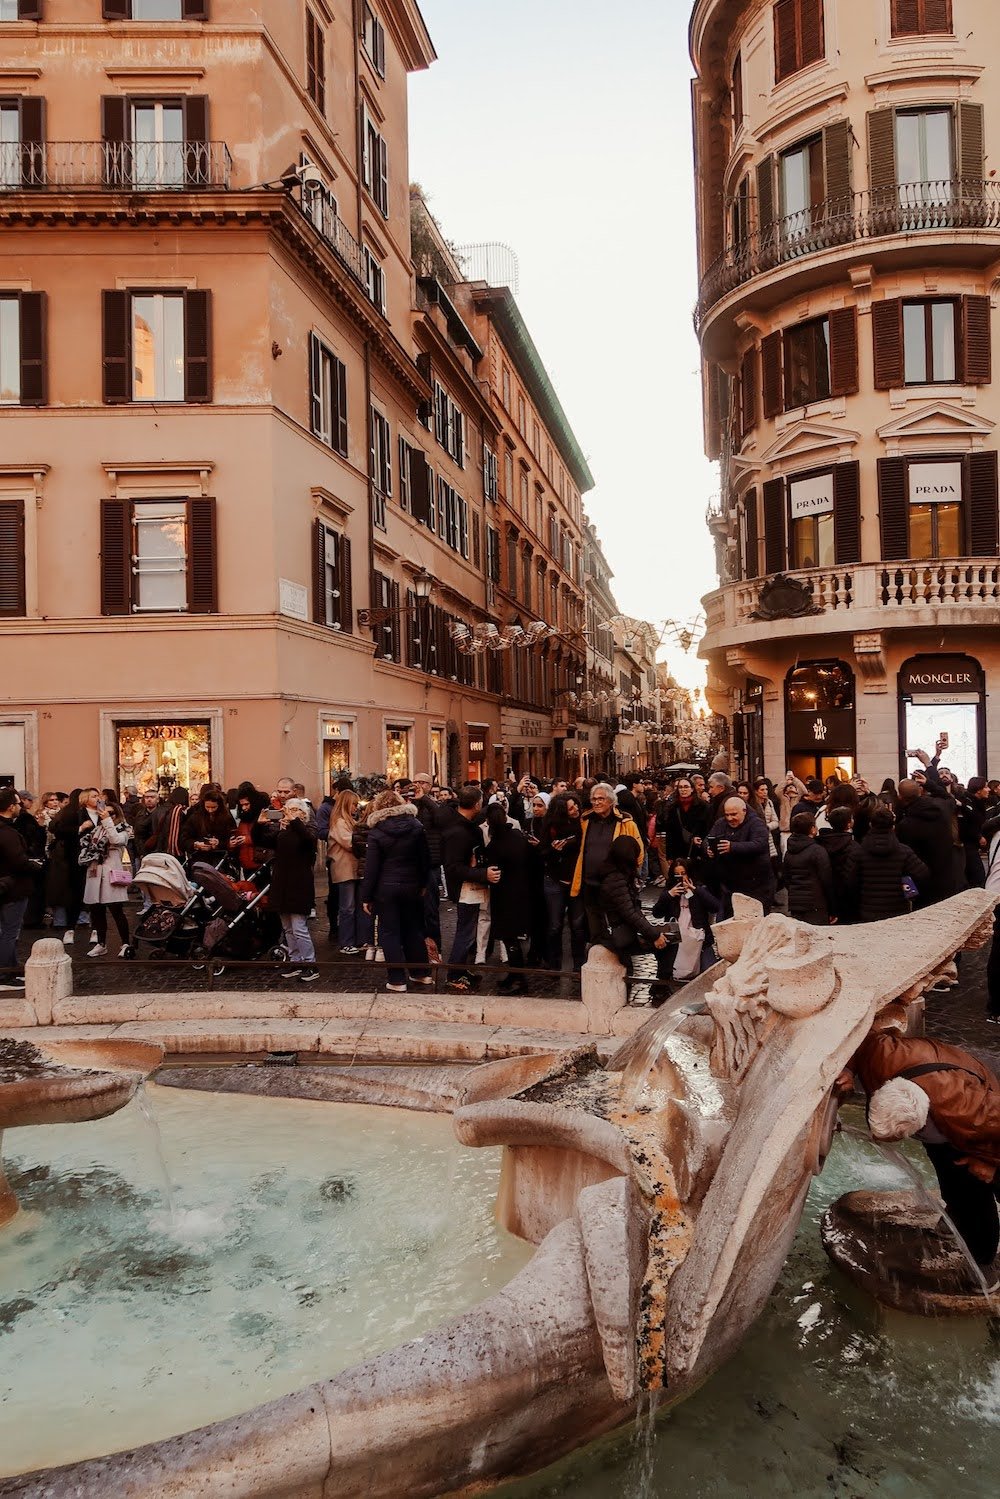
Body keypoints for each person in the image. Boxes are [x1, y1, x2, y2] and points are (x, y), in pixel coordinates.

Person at [840, 1005, 1000, 1286]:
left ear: (924, 1122)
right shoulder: (882, 1058)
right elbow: (860, 1038)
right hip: (941, 1099)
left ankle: (983, 1268)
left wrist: (990, 1165)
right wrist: (848, 1070)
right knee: (946, 1165)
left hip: (981, 1123)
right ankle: (955, 1216)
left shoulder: (972, 1114)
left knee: (977, 1194)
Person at [360, 789, 431, 993]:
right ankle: (421, 973)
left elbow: (371, 867)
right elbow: (424, 859)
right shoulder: (416, 826)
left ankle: (397, 979)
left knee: (389, 932)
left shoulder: (377, 831)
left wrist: (366, 895)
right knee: (414, 929)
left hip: (386, 888)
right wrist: (424, 884)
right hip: (412, 885)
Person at [252, 797, 319, 981]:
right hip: (281, 884)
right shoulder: (282, 832)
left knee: (299, 928)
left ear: (303, 814)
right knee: (287, 928)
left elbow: (308, 840)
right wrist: (258, 825)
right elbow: (260, 840)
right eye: (288, 809)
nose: (290, 813)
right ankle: (295, 960)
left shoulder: (307, 831)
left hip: (299, 885)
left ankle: (310, 964)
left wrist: (295, 821)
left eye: (296, 810)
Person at [441, 786, 500, 993]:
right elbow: (453, 867)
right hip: (466, 887)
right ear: (477, 804)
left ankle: (461, 970)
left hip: (472, 886)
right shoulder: (458, 832)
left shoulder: (465, 827)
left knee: (468, 930)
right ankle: (454, 974)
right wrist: (482, 874)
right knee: (464, 932)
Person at [569, 784, 643, 946]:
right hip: (589, 884)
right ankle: (596, 962)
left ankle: (622, 961)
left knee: (618, 926)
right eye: (594, 799)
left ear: (611, 801)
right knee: (593, 927)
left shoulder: (626, 822)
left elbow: (638, 854)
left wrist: (625, 875)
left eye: (600, 799)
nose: (596, 802)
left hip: (614, 885)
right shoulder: (585, 821)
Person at [596, 835, 670, 966]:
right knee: (666, 944)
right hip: (618, 934)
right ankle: (661, 984)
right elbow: (630, 913)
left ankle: (661, 984)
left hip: (624, 929)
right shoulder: (615, 879)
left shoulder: (618, 875)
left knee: (668, 941)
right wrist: (654, 935)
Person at [482, 803, 533, 993]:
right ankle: (514, 975)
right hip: (520, 893)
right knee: (511, 938)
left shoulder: (496, 844)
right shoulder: (517, 837)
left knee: (509, 938)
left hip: (505, 896)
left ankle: (519, 979)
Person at [650, 856, 720, 991]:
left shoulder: (698, 889)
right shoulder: (669, 892)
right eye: (677, 875)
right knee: (669, 973)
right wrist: (668, 895)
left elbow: (715, 907)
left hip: (699, 941)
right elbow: (656, 913)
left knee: (710, 974)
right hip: (676, 942)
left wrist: (695, 891)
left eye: (683, 874)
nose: (681, 878)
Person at [78, 787, 132, 957]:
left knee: (117, 911)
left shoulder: (124, 829)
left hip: (111, 872)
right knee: (96, 910)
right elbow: (88, 844)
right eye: (104, 813)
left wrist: (108, 822)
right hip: (95, 871)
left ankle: (125, 943)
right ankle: (101, 943)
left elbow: (115, 840)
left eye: (110, 814)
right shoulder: (98, 829)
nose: (105, 816)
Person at [856, 806, 929, 923]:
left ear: (870, 824)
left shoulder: (858, 851)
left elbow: (850, 880)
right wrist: (908, 885)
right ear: (893, 827)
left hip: (868, 909)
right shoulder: (904, 851)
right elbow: (922, 873)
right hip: (898, 909)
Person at [705, 795, 776, 916]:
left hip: (756, 884)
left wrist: (733, 847)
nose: (730, 818)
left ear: (744, 811)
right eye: (727, 815)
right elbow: (708, 838)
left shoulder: (757, 823)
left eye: (733, 814)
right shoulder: (721, 823)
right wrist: (708, 848)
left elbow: (760, 844)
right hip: (730, 884)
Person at [895, 778, 958, 909]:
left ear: (900, 796)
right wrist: (930, 783)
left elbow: (905, 859)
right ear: (920, 791)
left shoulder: (905, 825)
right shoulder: (942, 809)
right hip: (948, 874)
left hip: (922, 881)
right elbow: (949, 797)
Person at [540, 792, 584, 971]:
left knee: (577, 926)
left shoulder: (583, 824)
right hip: (555, 881)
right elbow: (541, 852)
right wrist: (553, 850)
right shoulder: (551, 827)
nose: (576, 810)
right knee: (554, 926)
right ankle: (554, 964)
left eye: (576, 806)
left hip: (577, 881)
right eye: (571, 809)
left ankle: (579, 966)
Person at [410, 772, 448, 962]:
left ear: (428, 785)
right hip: (412, 865)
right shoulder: (409, 804)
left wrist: (424, 799)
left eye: (421, 782)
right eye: (414, 781)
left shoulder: (435, 804)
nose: (417, 785)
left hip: (431, 863)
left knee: (431, 910)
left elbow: (441, 819)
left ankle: (435, 948)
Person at [0, 786, 34, 988]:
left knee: (6, 931)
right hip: (11, 888)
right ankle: (5, 973)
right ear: (11, 806)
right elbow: (19, 861)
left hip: (6, 886)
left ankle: (11, 968)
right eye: (18, 803)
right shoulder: (7, 833)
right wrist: (36, 866)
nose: (20, 807)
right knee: (10, 931)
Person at [781, 812, 835, 925]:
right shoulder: (817, 851)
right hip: (816, 904)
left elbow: (786, 877)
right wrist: (832, 907)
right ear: (812, 829)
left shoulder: (789, 851)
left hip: (795, 903)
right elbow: (827, 880)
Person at [327, 787, 364, 953]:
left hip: (352, 868)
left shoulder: (348, 820)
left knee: (353, 906)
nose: (356, 807)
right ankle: (346, 942)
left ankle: (354, 939)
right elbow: (349, 843)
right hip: (344, 868)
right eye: (354, 804)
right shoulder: (339, 822)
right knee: (347, 908)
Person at [818, 806, 862, 924]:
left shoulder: (821, 844)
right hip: (849, 899)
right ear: (849, 824)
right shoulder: (854, 847)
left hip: (827, 897)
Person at [179, 787, 234, 867]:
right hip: (199, 859)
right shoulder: (195, 817)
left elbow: (231, 837)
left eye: (213, 807)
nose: (210, 810)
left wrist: (219, 843)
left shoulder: (226, 817)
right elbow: (184, 838)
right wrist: (195, 844)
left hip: (221, 860)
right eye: (207, 807)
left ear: (219, 805)